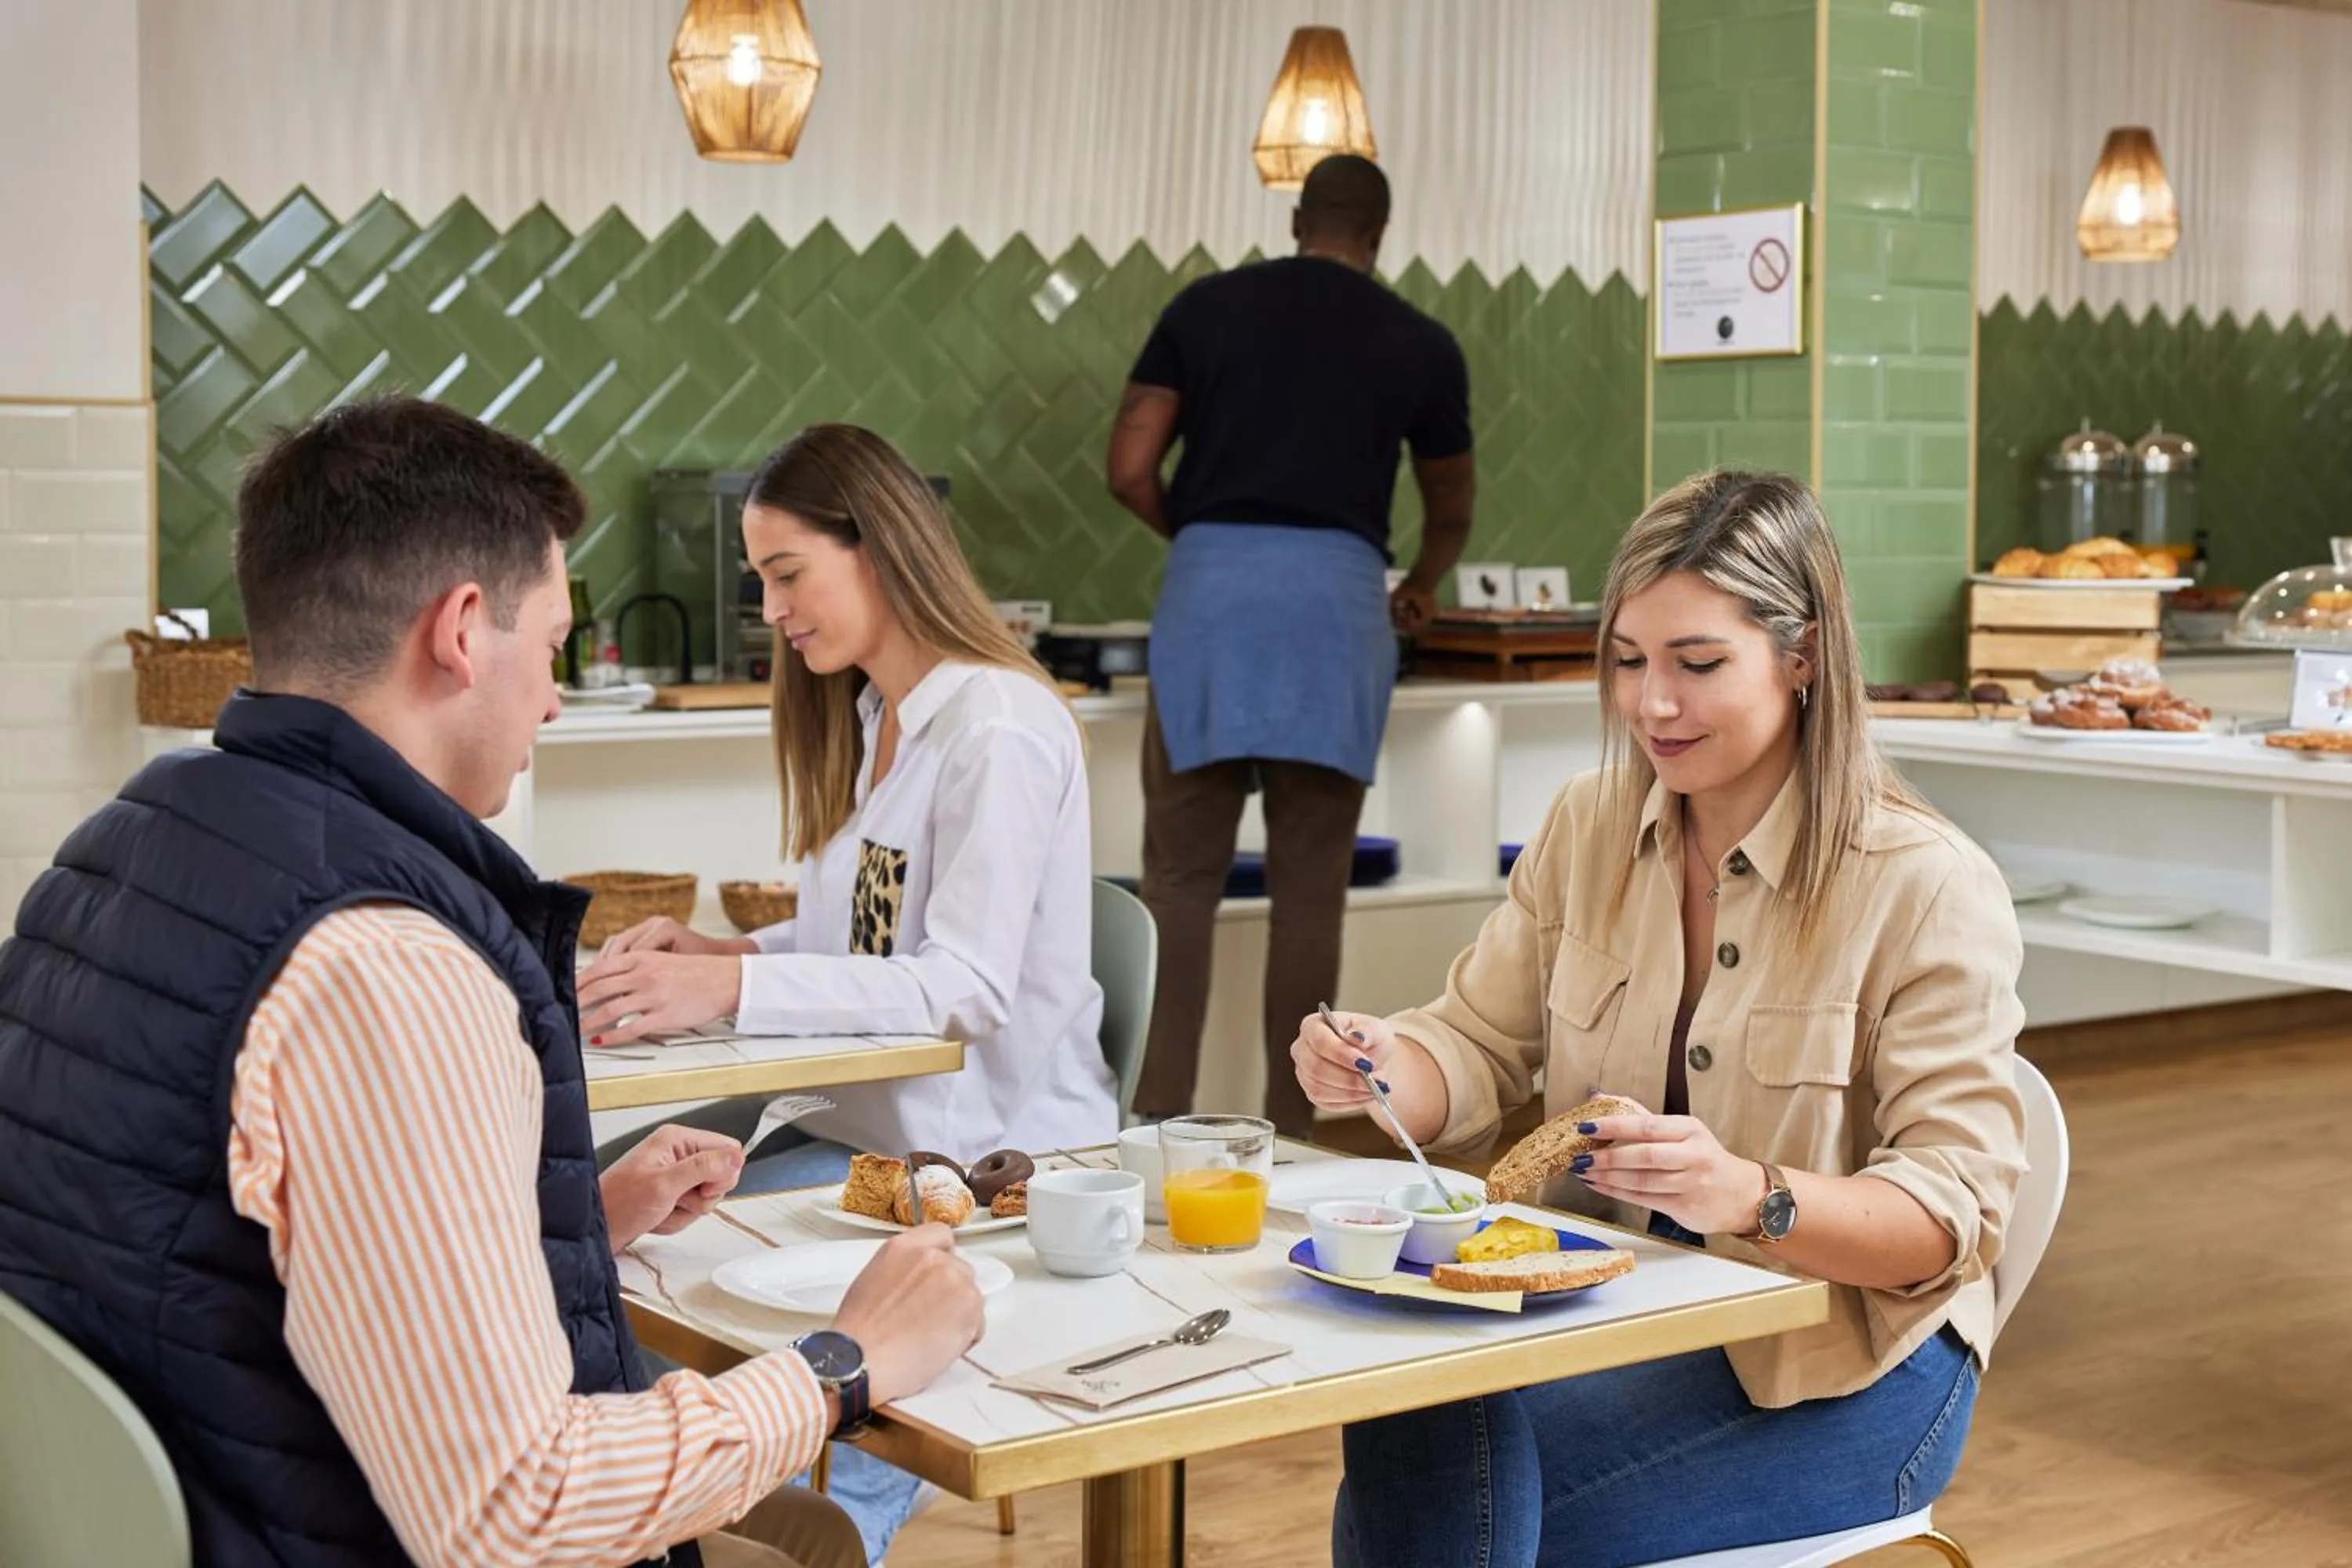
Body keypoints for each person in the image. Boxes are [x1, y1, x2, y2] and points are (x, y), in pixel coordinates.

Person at [0, 397, 987, 1568]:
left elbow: (230, 1256)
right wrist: (844, 1363)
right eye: (556, 646)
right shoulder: (389, 967)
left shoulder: (122, 848)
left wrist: (568, 1220)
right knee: (814, 1542)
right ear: (463, 631)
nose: (557, 697)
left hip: (194, 1501)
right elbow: (517, 1513)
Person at [1291, 471, 2028, 1565]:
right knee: (1411, 1409)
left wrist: (1750, 1195)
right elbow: (1477, 1045)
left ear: (1805, 655)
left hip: (1839, 1376)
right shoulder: (1588, 824)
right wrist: (1385, 1063)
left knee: (1452, 1510)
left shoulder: (1925, 884)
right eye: (1629, 661)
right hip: (1624, 1311)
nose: (1653, 705)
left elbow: (1946, 1223)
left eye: (1698, 664)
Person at [578, 423, 1115, 1562]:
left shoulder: (998, 731)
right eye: (760, 581)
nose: (770, 612)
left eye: (785, 576)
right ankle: (712, 1532)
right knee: (633, 1261)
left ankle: (807, 1540)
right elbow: (861, 942)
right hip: (863, 1127)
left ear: (879, 549)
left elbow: (960, 988)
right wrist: (728, 954)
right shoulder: (876, 717)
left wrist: (721, 996)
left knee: (692, 1285)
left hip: (982, 1153)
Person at [1107, 152, 1476, 1136]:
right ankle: (1298, 1137)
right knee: (1312, 894)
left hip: (1210, 598)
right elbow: (1452, 499)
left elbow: (1130, 463)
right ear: (1380, 234)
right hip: (1335, 606)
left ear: (1297, 219)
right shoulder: (1420, 342)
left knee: (1178, 884)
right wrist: (1426, 583)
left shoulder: (1207, 307)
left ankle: (1149, 1128)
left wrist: (1202, 535)